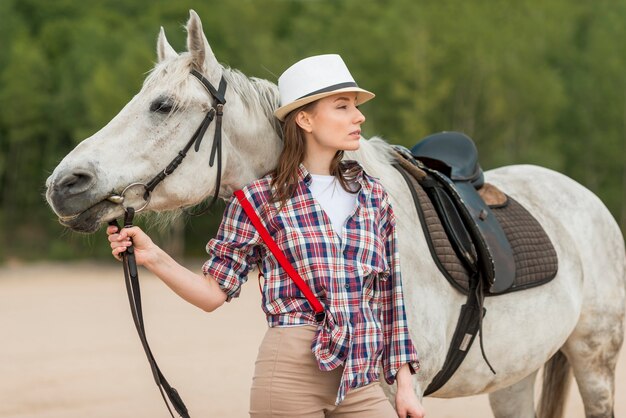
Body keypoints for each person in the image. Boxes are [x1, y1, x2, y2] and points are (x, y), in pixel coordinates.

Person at [107, 54, 425, 418]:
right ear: (304, 118)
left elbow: (390, 299)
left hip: (360, 381)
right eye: (342, 106)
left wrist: (404, 387)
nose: (359, 117)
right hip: (290, 374)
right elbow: (213, 294)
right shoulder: (259, 201)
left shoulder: (374, 196)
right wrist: (153, 256)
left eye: (355, 107)